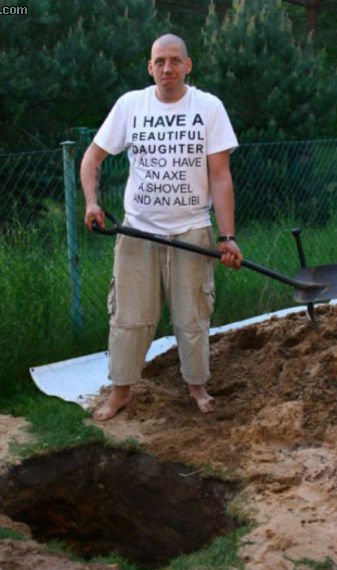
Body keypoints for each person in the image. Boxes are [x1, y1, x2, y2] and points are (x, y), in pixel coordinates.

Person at [80, 33, 243, 421]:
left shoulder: (209, 108)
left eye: (174, 60)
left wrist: (227, 237)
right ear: (149, 67)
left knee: (192, 317)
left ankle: (197, 386)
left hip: (192, 230)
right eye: (159, 61)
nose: (167, 68)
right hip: (138, 231)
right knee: (128, 317)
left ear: (188, 65)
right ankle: (121, 392)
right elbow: (92, 157)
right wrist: (91, 202)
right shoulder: (130, 106)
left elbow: (220, 176)